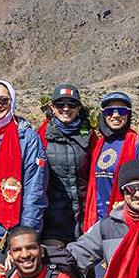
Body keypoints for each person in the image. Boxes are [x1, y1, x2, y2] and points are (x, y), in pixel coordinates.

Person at [0, 79, 47, 269]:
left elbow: (34, 188)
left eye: (3, 100)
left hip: (9, 229)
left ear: (12, 101)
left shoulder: (28, 138)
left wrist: (24, 235)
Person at [86, 91, 139, 234]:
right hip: (98, 218)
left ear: (128, 114)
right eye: (110, 111)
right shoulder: (99, 144)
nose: (116, 115)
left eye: (122, 111)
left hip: (125, 219)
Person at [41, 83, 91, 247]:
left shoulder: (91, 137)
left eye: (72, 104)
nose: (66, 109)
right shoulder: (41, 136)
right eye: (60, 104)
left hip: (85, 219)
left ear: (79, 107)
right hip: (53, 222)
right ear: (52, 107)